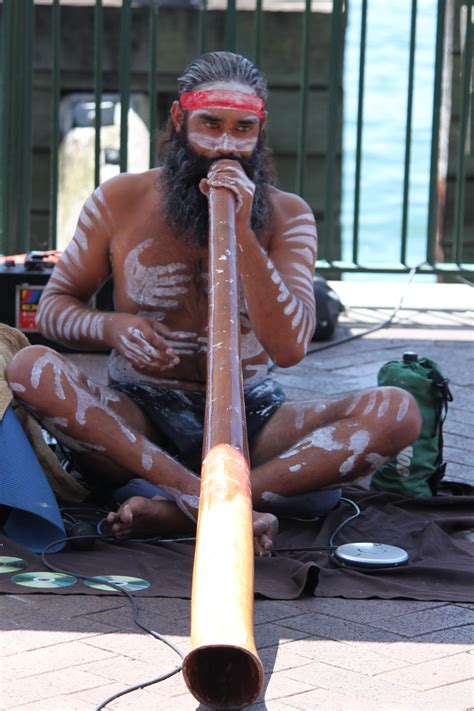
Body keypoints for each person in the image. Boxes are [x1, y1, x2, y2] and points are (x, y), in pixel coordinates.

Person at [5, 52, 421, 555]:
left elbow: (289, 349)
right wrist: (114, 327)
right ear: (180, 121)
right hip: (139, 416)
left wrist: (243, 234)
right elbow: (53, 308)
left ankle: (180, 508)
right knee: (30, 367)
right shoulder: (120, 198)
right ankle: (212, 500)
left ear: (260, 133)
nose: (226, 144)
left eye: (243, 128)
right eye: (211, 124)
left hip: (253, 413)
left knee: (397, 412)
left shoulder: (289, 215)